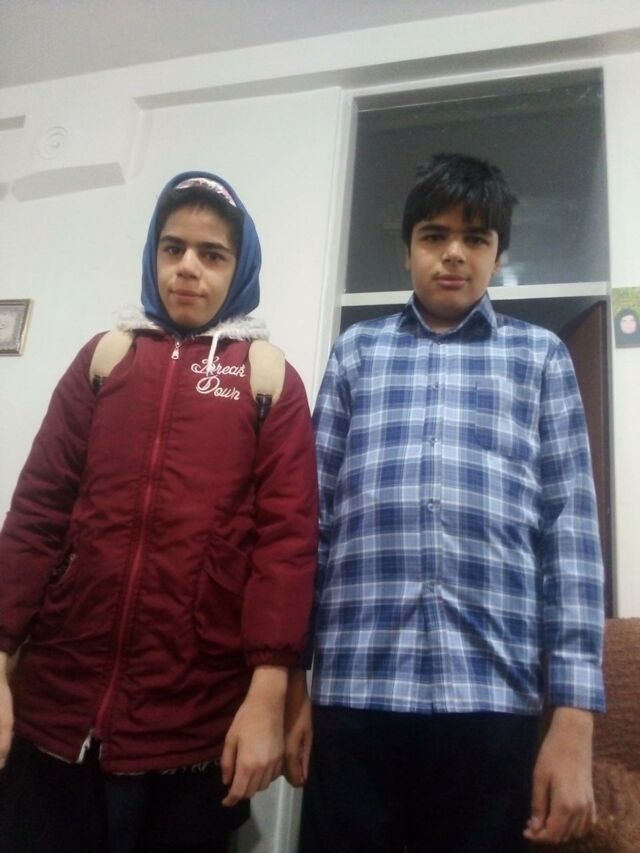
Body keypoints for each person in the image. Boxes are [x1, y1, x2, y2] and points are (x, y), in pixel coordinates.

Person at [288, 153, 605, 853]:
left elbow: (572, 535)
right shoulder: (355, 354)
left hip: (493, 699)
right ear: (407, 251)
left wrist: (574, 716)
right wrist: (291, 681)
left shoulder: (541, 359)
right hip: (355, 691)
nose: (454, 253)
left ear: (499, 254)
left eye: (476, 237)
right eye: (434, 235)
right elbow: (312, 524)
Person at [0, 171, 318, 853]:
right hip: (55, 710)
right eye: (173, 248)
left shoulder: (267, 377)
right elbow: (37, 512)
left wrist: (268, 696)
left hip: (193, 723)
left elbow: (287, 546)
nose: (187, 267)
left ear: (241, 268)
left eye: (212, 254)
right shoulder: (105, 358)